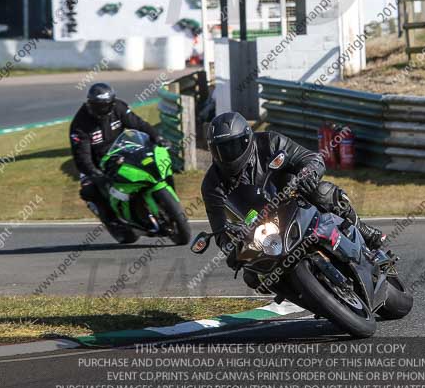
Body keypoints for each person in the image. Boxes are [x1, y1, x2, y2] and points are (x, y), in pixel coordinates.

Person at [201, 112, 386, 290]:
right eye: (220, 149)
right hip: (260, 227)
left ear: (247, 139)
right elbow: (220, 230)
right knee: (252, 276)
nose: (227, 154)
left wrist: (309, 175)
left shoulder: (270, 142)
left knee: (323, 192)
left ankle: (364, 231)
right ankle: (306, 295)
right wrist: (231, 248)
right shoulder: (211, 185)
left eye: (232, 146)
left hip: (294, 199)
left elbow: (311, 158)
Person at [70, 82, 170, 241]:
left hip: (122, 151)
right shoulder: (80, 125)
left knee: (151, 163)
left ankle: (162, 202)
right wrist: (95, 173)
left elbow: (138, 123)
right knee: (91, 191)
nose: (103, 109)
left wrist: (156, 137)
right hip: (95, 164)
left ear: (112, 102)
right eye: (98, 106)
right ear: (90, 104)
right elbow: (81, 157)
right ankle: (114, 222)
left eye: (106, 105)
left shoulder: (118, 107)